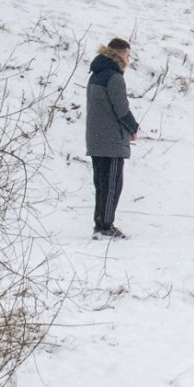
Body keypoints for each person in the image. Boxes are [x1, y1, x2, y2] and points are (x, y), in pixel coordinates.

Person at [85, 37, 139, 241]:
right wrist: (133, 127)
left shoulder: (96, 75)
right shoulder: (114, 77)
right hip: (111, 141)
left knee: (101, 184)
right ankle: (105, 227)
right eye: (127, 54)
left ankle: (100, 223)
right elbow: (121, 108)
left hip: (96, 139)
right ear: (118, 53)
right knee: (112, 185)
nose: (128, 59)